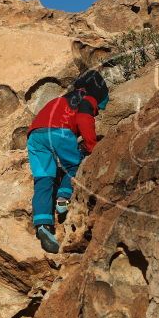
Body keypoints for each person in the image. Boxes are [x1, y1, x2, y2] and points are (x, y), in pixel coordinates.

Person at [26, 70, 109, 253]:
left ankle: (42, 225)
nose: (97, 112)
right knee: (75, 164)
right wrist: (91, 146)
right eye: (99, 109)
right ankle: (63, 199)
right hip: (60, 132)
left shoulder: (60, 99)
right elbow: (84, 118)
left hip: (35, 135)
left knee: (44, 179)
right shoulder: (87, 99)